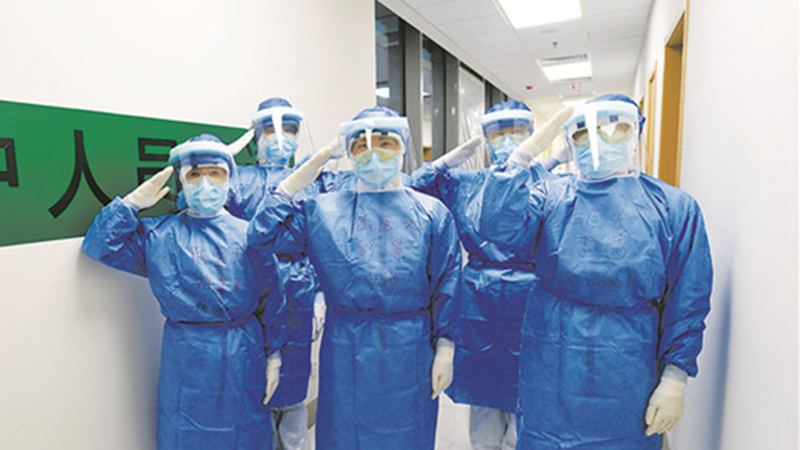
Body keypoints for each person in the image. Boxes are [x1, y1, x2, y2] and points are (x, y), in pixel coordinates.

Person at [475, 94, 713, 449]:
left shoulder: (673, 207)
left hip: (627, 364)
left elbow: (688, 298)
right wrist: (519, 164)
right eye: (584, 133)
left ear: (636, 132)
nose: (598, 141)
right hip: (551, 357)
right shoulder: (550, 195)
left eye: (613, 130)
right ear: (570, 141)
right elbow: (497, 226)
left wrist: (674, 378)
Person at [248, 106, 462, 450]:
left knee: (406, 433)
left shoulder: (431, 212)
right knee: (345, 433)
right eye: (361, 146)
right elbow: (262, 236)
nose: (373, 153)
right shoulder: (322, 210)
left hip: (410, 346)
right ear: (349, 153)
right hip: (345, 344)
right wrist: (289, 188)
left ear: (403, 148)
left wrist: (446, 347)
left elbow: (447, 282)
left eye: (385, 143)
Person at [82, 134, 285, 450]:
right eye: (195, 174)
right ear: (182, 181)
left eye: (215, 173)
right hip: (187, 354)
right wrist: (131, 204)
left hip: (242, 350)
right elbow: (99, 245)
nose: (205, 183)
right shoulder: (160, 235)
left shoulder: (250, 234)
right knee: (186, 433)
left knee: (244, 432)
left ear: (229, 178)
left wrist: (275, 355)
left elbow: (272, 299)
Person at [407, 99, 573, 450]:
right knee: (482, 390)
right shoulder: (468, 183)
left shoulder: (551, 183)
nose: (507, 139)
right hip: (478, 299)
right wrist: (439, 166)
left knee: (528, 391)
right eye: (498, 133)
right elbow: (411, 194)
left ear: (531, 133)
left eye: (517, 131)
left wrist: (547, 163)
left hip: (533, 298)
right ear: (485, 138)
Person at [227, 98, 319, 450]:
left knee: (294, 381)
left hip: (299, 289)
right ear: (255, 137)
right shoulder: (240, 178)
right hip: (251, 285)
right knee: (255, 383)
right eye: (270, 131)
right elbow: (195, 205)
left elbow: (325, 236)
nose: (281, 138)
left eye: (290, 130)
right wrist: (221, 159)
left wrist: (321, 293)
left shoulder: (312, 179)